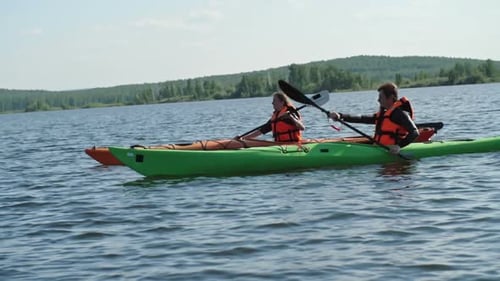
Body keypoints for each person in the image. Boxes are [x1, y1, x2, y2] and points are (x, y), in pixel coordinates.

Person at [329, 82, 419, 154]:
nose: (378, 100)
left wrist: (398, 146)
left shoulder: (400, 114)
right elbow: (362, 118)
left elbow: (414, 132)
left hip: (392, 149)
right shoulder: (383, 114)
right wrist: (340, 116)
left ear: (391, 98)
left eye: (381, 97)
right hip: (379, 147)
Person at [240, 91, 305, 142]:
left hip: (293, 144)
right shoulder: (276, 116)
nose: (272, 103)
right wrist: (243, 138)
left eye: (274, 101)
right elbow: (261, 131)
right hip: (279, 144)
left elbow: (302, 127)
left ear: (282, 102)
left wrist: (291, 117)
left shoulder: (290, 111)